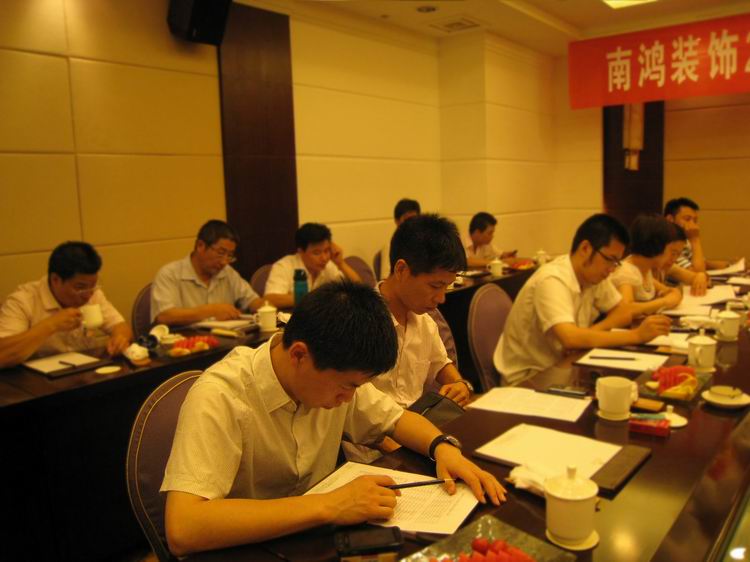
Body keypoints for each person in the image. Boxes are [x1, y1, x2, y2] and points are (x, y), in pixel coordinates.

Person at [161, 281, 505, 556]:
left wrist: (442, 447)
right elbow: (183, 528)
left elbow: (396, 420)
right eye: (347, 386)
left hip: (311, 541)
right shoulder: (221, 396)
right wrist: (329, 505)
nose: (350, 398)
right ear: (299, 355)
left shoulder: (332, 373)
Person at [494, 214, 671, 386]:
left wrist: (590, 332)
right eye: (610, 260)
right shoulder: (552, 279)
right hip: (529, 377)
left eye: (616, 263)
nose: (612, 269)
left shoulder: (593, 275)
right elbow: (570, 338)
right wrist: (636, 336)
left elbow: (622, 311)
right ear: (585, 248)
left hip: (564, 362)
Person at [375, 214, 475, 409]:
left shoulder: (425, 322)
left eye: (447, 286)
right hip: (374, 428)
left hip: (416, 422)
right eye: (435, 286)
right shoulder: (359, 323)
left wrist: (459, 384)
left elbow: (440, 362)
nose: (441, 298)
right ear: (401, 270)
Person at [0, 242, 132, 368]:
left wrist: (120, 340)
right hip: (37, 380)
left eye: (93, 286)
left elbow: (120, 326)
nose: (88, 295)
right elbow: (3, 354)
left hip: (85, 373)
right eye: (80, 287)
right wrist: (51, 325)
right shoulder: (23, 301)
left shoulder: (93, 294)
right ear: (55, 279)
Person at [151, 220, 263, 326]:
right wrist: (211, 311)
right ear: (200, 246)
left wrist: (265, 307)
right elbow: (164, 316)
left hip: (225, 338)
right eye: (220, 253)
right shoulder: (170, 274)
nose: (224, 262)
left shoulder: (228, 272)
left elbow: (253, 301)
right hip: (185, 338)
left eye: (230, 255)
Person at [264, 222, 361, 308]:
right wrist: (315, 298)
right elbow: (270, 299)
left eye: (327, 251)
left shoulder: (329, 265)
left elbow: (359, 288)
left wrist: (341, 263)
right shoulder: (284, 266)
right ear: (301, 251)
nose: (324, 258)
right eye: (317, 253)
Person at [610, 215, 683, 316]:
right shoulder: (625, 271)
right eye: (671, 251)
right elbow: (625, 309)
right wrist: (664, 302)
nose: (673, 258)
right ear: (657, 247)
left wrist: (670, 296)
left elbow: (671, 292)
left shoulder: (644, 269)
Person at [664, 197, 730, 296]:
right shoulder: (667, 243)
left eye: (695, 221)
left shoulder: (684, 241)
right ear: (670, 219)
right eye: (687, 219)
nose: (694, 225)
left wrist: (731, 266)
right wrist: (695, 240)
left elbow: (701, 264)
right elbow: (697, 273)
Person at [378, 198, 420, 280]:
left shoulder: (421, 243)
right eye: (407, 220)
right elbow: (385, 279)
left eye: (415, 219)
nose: (411, 224)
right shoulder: (389, 246)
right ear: (397, 221)